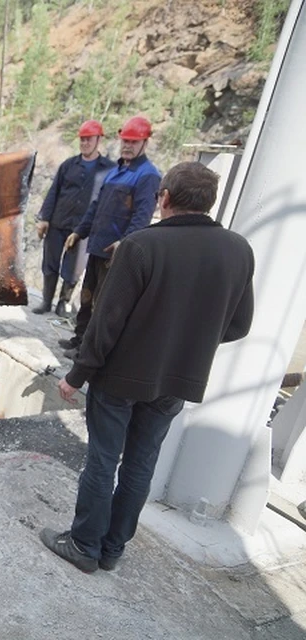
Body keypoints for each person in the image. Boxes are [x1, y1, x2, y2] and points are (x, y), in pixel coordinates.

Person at [41, 161, 255, 573]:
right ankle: (112, 550)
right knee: (141, 464)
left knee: (104, 460)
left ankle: (84, 545)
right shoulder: (238, 250)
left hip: (121, 376)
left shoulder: (141, 246)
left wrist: (77, 375)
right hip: (177, 381)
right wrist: (187, 346)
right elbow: (239, 324)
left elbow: (105, 324)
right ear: (209, 202)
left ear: (165, 198)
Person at [59, 115, 162, 357]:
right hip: (97, 246)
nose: (127, 145)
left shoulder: (147, 176)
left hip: (114, 252)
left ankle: (89, 351)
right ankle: (79, 339)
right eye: (125, 140)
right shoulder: (117, 171)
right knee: (87, 298)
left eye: (133, 142)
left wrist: (125, 243)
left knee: (103, 304)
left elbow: (142, 216)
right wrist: (78, 231)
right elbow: (96, 207)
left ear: (145, 143)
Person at [34, 120, 115, 317]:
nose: (85, 143)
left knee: (74, 268)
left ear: (98, 140)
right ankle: (46, 301)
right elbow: (54, 191)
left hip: (84, 227)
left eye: (89, 139)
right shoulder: (69, 165)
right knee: (50, 261)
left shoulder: (108, 169)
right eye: (83, 139)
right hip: (59, 220)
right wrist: (44, 217)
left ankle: (64, 302)